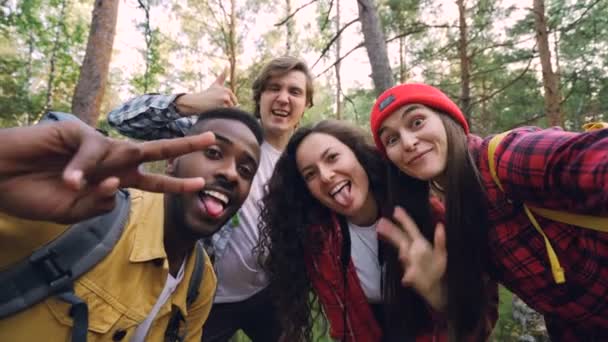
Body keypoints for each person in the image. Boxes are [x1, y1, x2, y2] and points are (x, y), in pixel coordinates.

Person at [0, 107, 264, 341]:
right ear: (172, 161)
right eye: (214, 152)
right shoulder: (83, 215)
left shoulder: (201, 283)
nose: (231, 173)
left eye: (245, 171)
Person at [369, 83, 608, 341]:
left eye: (416, 122)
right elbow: (477, 328)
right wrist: (438, 293)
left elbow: (595, 158)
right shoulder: (451, 218)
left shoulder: (507, 158)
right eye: (391, 139)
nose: (408, 142)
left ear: (448, 120)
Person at [108, 56, 314, 341]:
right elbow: (121, 118)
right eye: (273, 88)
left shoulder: (303, 164)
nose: (283, 98)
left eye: (295, 91)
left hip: (267, 296)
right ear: (259, 97)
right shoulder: (220, 136)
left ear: (306, 105)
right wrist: (189, 102)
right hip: (205, 297)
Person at [257, 120, 495, 342]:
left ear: (358, 155)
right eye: (310, 174)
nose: (326, 176)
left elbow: (480, 324)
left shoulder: (429, 218)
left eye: (332, 158)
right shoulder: (319, 242)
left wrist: (439, 296)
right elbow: (344, 328)